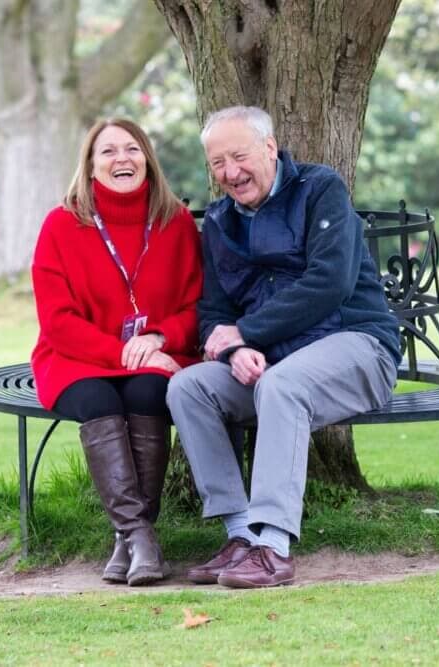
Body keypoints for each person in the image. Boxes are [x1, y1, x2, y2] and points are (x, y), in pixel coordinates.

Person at [166, 106, 402, 588]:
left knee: (282, 383)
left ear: (270, 148)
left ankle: (273, 547)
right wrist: (234, 351)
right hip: (273, 363)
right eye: (217, 164)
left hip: (356, 345)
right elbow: (213, 313)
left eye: (239, 156)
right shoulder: (219, 221)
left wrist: (249, 333)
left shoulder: (320, 190)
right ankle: (240, 536)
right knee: (189, 387)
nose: (230, 173)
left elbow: (328, 284)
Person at [30, 118, 202, 586]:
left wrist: (161, 339)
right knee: (100, 401)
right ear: (89, 167)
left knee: (149, 393)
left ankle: (128, 543)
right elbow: (58, 323)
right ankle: (139, 534)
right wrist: (126, 351)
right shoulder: (61, 224)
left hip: (153, 357)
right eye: (107, 152)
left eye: (131, 148)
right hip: (76, 357)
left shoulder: (177, 223)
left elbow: (196, 305)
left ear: (147, 158)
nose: (121, 159)